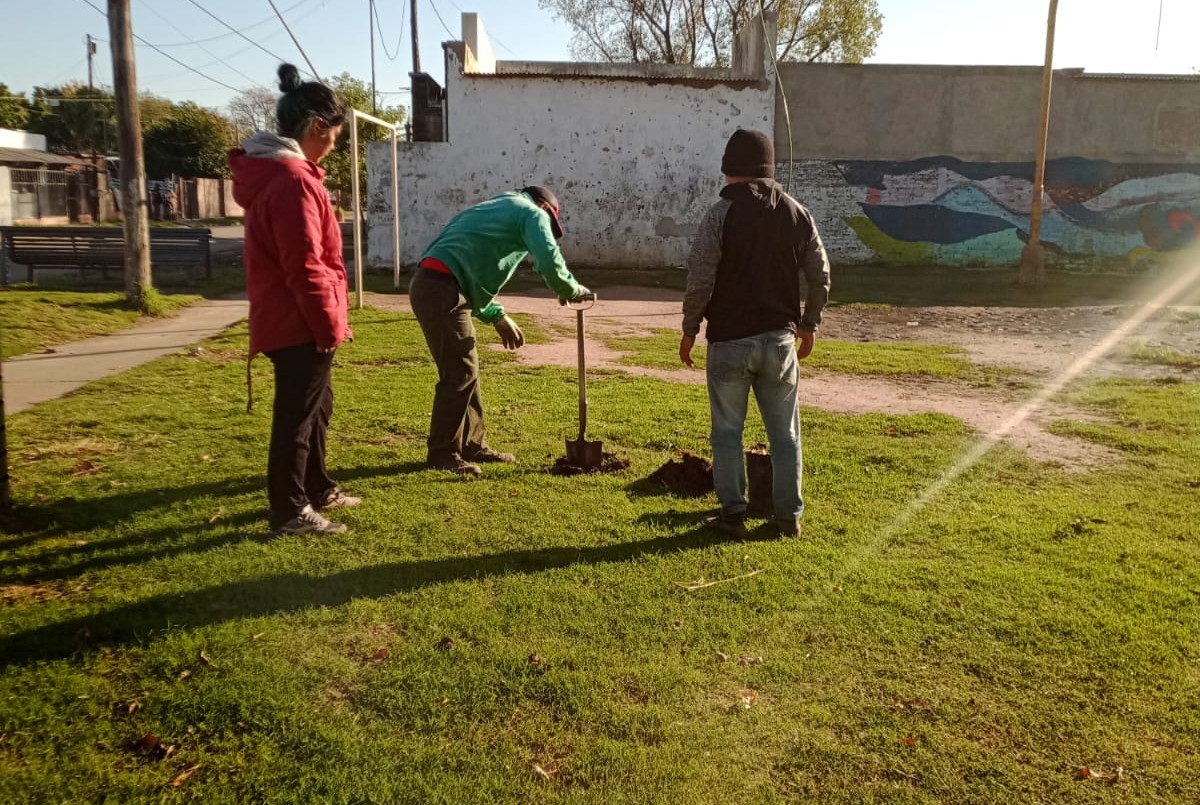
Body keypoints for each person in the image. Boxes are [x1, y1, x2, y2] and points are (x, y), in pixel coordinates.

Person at [679, 129, 831, 537]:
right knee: (785, 435)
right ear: (769, 168)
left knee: (727, 433)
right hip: (780, 344)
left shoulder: (719, 215)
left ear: (729, 169)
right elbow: (820, 274)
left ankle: (733, 515)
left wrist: (690, 328)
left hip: (729, 341)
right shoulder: (798, 212)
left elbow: (700, 278)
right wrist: (809, 323)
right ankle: (788, 518)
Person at [228, 64, 358, 535]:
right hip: (298, 322)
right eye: (335, 136)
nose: (334, 146)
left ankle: (318, 486)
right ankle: (289, 510)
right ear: (318, 126)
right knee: (296, 418)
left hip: (297, 318)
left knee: (318, 407)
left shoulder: (287, 175)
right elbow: (305, 265)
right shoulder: (292, 180)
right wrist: (326, 325)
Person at [411, 187, 592, 476]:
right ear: (545, 207)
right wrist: (571, 289)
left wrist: (497, 315)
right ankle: (442, 453)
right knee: (460, 372)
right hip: (442, 288)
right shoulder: (532, 213)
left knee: (467, 368)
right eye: (549, 223)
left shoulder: (495, 208)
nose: (545, 229)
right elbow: (548, 260)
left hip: (436, 284)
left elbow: (471, 267)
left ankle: (472, 444)